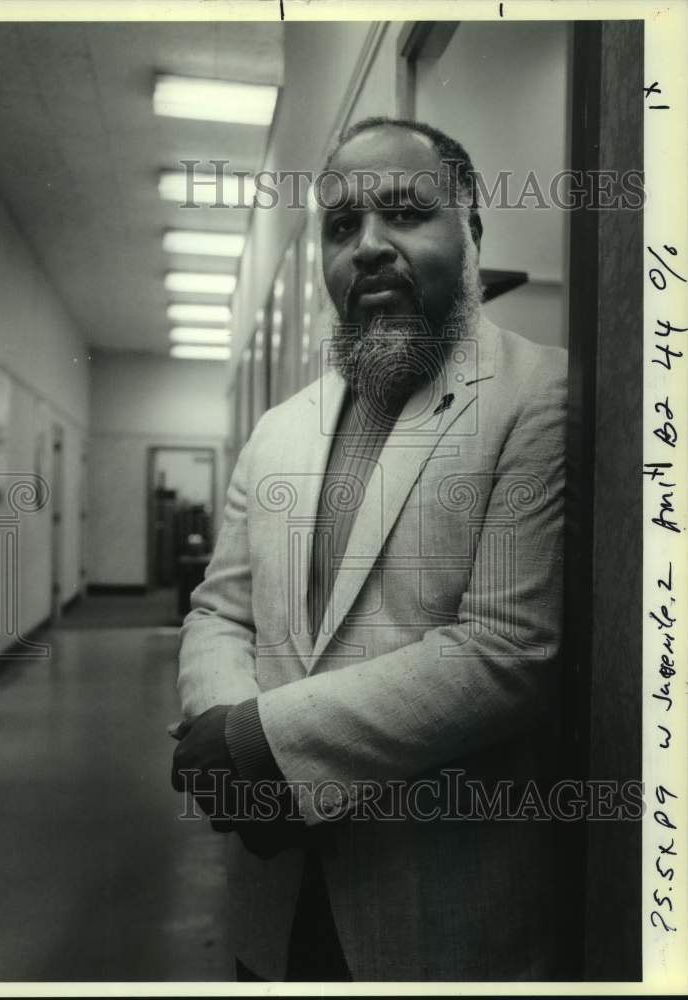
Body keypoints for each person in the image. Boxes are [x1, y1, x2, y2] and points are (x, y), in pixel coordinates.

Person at [172, 116, 568, 982]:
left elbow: (509, 651)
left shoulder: (540, 397)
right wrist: (228, 735)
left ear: (470, 228)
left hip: (433, 908)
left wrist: (261, 743)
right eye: (342, 226)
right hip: (270, 890)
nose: (369, 247)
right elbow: (220, 610)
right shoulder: (279, 429)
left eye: (405, 213)